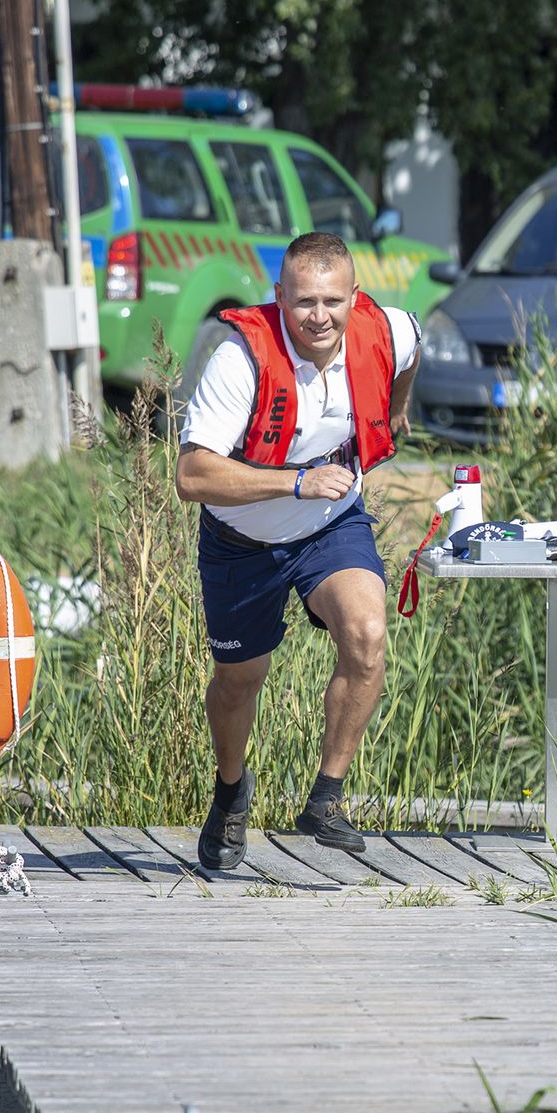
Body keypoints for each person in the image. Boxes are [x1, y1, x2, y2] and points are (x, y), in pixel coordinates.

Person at [176, 231, 422, 869]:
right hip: (242, 539)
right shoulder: (240, 358)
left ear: (354, 298)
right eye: (304, 301)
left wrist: (396, 409)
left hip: (329, 525)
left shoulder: (384, 330)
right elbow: (192, 476)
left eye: (332, 302)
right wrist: (296, 481)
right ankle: (231, 790)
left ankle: (326, 798)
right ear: (279, 295)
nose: (318, 317)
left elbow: (412, 345)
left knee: (367, 634)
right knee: (239, 682)